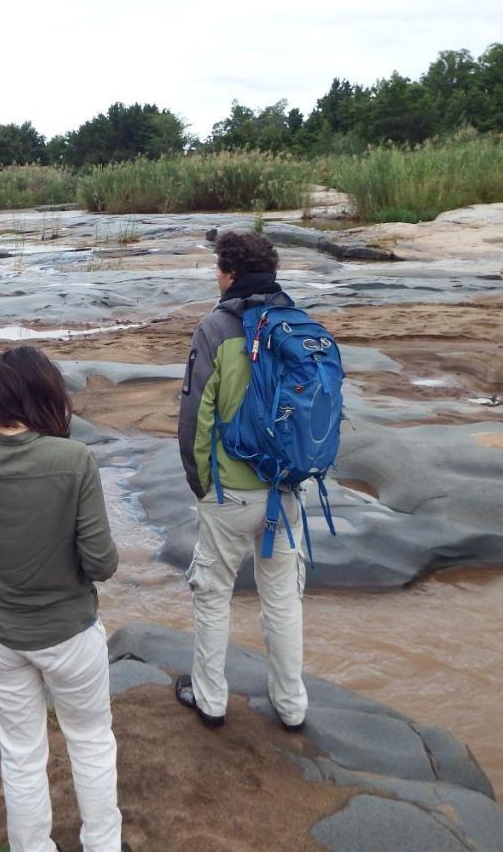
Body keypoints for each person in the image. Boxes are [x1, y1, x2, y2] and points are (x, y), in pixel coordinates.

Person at [0, 346, 128, 852]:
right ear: (50, 395)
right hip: (69, 634)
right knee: (90, 744)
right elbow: (102, 563)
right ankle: (103, 845)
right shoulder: (74, 460)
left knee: (20, 753)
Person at [175, 230, 308, 732]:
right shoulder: (296, 321)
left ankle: (210, 701)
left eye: (217, 268)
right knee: (282, 598)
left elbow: (195, 416)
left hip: (229, 493)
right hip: (286, 488)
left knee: (213, 595)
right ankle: (291, 706)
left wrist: (201, 483)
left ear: (229, 272)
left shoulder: (215, 328)